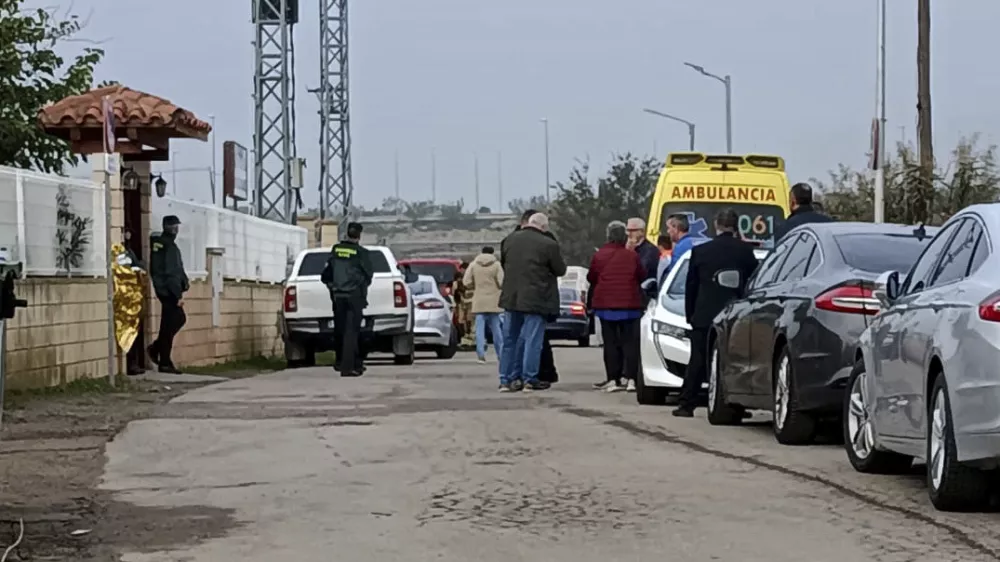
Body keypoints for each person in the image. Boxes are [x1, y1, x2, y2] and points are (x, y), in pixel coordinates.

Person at [673, 209, 760, 418]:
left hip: (704, 314)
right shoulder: (745, 252)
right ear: (736, 226)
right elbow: (753, 284)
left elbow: (691, 287)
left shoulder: (701, 251)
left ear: (716, 225)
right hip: (735, 315)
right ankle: (735, 405)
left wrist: (690, 316)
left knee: (697, 361)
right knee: (732, 361)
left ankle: (687, 404)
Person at [498, 212, 566, 392]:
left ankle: (506, 380)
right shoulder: (548, 244)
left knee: (510, 340)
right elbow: (560, 270)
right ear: (543, 227)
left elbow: (504, 264)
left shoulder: (508, 240)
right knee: (532, 340)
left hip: (511, 297)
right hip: (537, 298)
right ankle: (530, 378)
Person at [588, 221, 645, 393]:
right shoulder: (632, 256)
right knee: (630, 343)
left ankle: (613, 379)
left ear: (608, 236)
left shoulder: (600, 256)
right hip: (630, 306)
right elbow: (641, 275)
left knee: (611, 343)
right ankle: (632, 379)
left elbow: (592, 277)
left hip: (606, 306)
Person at [320, 222, 374, 377]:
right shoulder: (361, 252)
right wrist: (361, 289)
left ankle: (341, 362)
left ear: (347, 233)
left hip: (338, 296)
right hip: (354, 296)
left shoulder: (336, 250)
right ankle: (349, 366)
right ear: (359, 235)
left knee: (340, 330)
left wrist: (333, 287)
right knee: (352, 331)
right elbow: (368, 274)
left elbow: (326, 274)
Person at [148, 215, 189, 374]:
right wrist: (177, 294)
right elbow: (172, 272)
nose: (176, 230)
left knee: (170, 324)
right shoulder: (168, 246)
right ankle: (160, 355)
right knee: (175, 321)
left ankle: (160, 353)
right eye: (174, 227)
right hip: (169, 292)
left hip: (164, 290)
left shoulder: (162, 244)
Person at [463, 246, 504, 364]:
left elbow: (466, 281)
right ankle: (500, 354)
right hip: (494, 300)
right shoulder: (496, 265)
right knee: (496, 329)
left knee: (479, 329)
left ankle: (480, 355)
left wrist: (474, 286)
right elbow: (502, 282)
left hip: (479, 300)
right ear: (492, 253)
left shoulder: (474, 264)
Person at [658, 214, 695, 289]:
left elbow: (674, 273)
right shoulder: (692, 242)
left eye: (669, 228)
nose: (668, 232)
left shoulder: (680, 247)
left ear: (676, 228)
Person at [625, 217, 660, 284]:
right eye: (627, 230)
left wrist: (631, 253)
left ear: (642, 232)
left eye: (632, 230)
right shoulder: (624, 247)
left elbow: (642, 272)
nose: (629, 234)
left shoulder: (651, 250)